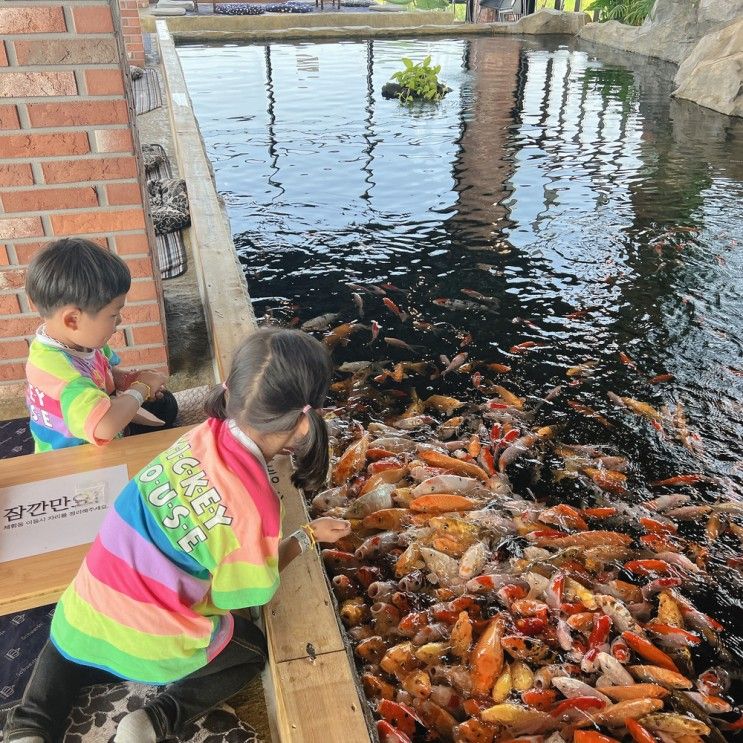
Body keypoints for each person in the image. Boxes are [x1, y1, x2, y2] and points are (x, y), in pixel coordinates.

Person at [4, 328, 351, 743]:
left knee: (66, 635)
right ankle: (154, 719)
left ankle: (30, 724)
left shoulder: (198, 436)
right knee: (250, 650)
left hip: (91, 598)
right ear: (301, 425)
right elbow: (240, 596)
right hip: (154, 635)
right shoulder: (256, 507)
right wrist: (305, 536)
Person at [23, 238, 174, 453]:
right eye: (113, 314)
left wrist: (129, 380)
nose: (119, 320)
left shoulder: (80, 340)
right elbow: (104, 427)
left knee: (165, 405)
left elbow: (104, 371)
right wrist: (141, 388)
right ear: (72, 320)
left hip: (100, 416)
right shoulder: (61, 373)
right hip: (75, 458)